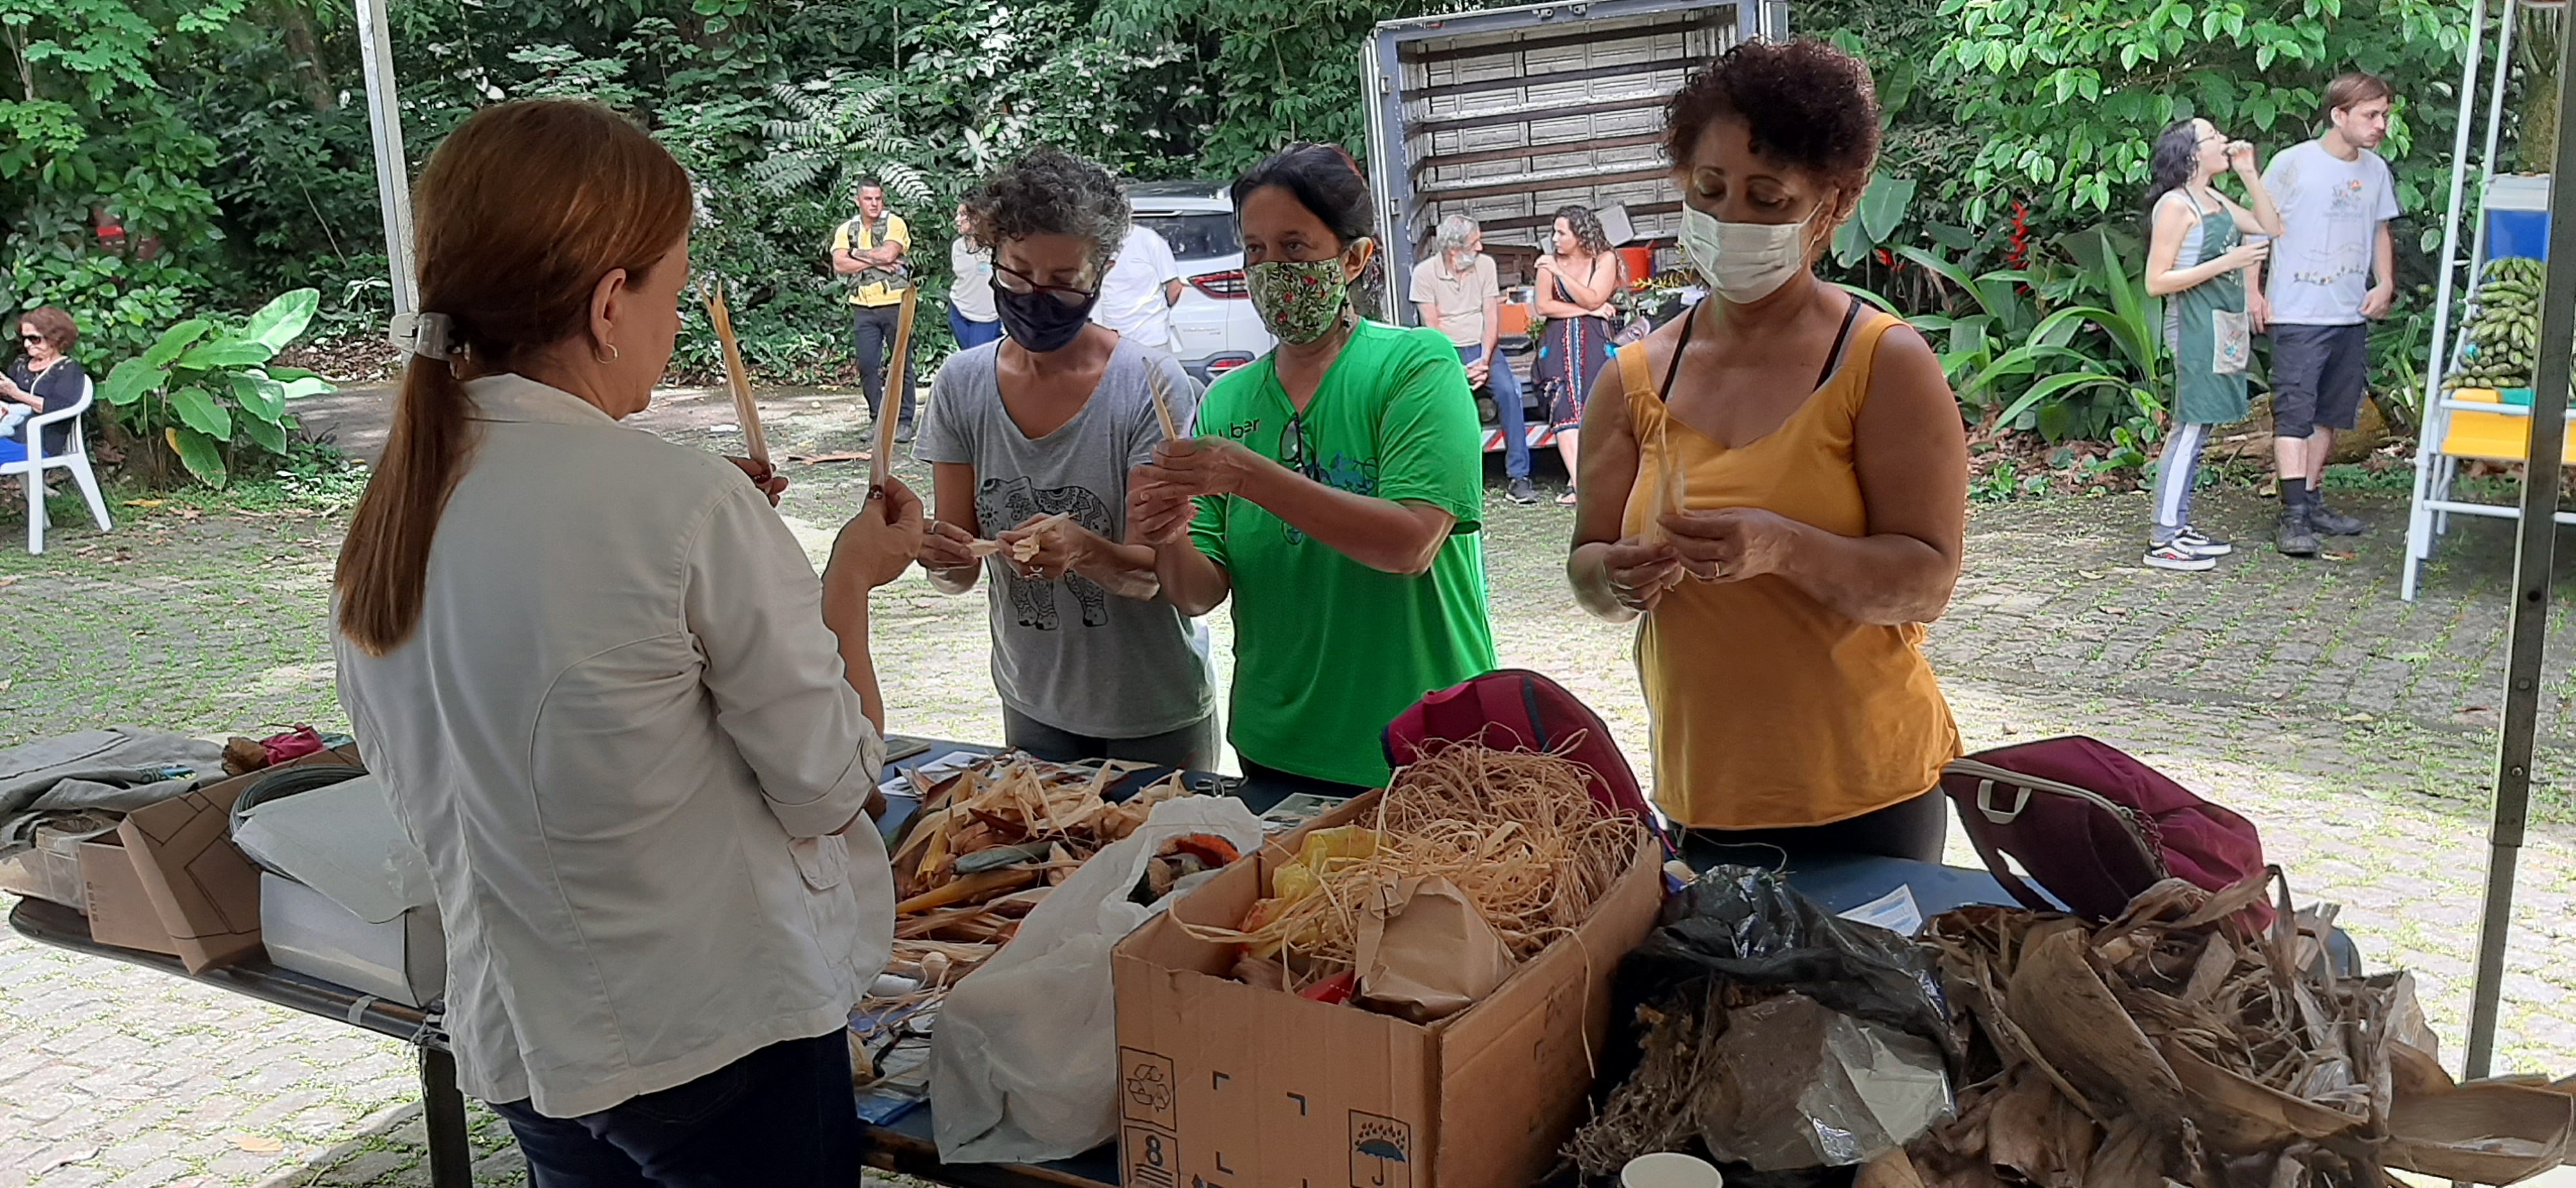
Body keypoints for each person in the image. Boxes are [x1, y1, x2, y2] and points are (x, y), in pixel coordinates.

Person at [332, 100, 924, 1187]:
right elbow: (831, 788)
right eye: (673, 290)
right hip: (710, 1037)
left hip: (523, 1034)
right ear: (611, 302)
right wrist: (845, 582)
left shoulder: (395, 509)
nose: (676, 327)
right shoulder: (679, 503)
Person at [1566, 39, 1967, 863]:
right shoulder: (1633, 380)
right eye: (1709, 189)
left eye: (1767, 198)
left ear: (1833, 203)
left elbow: (1925, 583)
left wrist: (1781, 547)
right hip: (1703, 794)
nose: (1730, 221)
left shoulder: (1881, 363)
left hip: (1868, 793)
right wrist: (1616, 578)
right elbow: (1587, 569)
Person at [1127, 143, 1498, 795]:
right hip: (1276, 750)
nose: (1272, 270)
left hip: (1424, 750)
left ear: (1353, 258)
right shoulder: (1227, 401)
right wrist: (1167, 533)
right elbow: (1197, 593)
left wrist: (1248, 476)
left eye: (1294, 247)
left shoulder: (1416, 366)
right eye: (1255, 250)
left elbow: (1410, 542)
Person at [913, 148, 1218, 768]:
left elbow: (1153, 574)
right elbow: (959, 571)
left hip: (1151, 708)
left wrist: (1082, 549)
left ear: (1100, 273)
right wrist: (934, 553)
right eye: (1018, 273)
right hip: (1033, 703)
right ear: (993, 256)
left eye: (1063, 281)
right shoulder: (962, 384)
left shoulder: (1148, 385)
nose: (1036, 296)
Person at [2253, 72, 2400, 556]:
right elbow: (2258, 229)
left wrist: (2385, 283)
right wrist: (2253, 291)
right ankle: (2292, 516)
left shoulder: (2376, 170)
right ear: (2339, 115)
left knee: (2329, 414)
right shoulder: (2293, 164)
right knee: (2294, 414)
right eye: (2371, 115)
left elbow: (2380, 231)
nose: (2381, 125)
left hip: (2348, 314)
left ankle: (2312, 499)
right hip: (2297, 312)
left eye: (2384, 115)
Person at [2141, 119, 2281, 572]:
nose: (2225, 141)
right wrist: (2229, 261)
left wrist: (2249, 174)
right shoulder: (2175, 206)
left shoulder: (2215, 199)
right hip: (2194, 327)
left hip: (2222, 324)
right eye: (2215, 137)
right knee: (2189, 429)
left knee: (2201, 431)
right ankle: (2163, 539)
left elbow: (2270, 226)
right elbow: (2156, 281)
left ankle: (2178, 526)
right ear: (2192, 154)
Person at [1412, 214, 1539, 505]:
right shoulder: (1424, 274)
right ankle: (1453, 478)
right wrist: (1457, 368)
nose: (1481, 248)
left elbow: (1492, 317)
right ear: (1453, 249)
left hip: (1484, 348)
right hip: (1447, 351)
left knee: (1510, 392)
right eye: (1474, 243)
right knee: (1444, 406)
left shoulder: (1486, 265)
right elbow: (1432, 326)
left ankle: (1519, 477)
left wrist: (1484, 361)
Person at [1535, 204, 1625, 506]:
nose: (1555, 239)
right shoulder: (1548, 262)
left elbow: (1594, 297)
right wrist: (1589, 310)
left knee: (1596, 401)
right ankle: (1580, 485)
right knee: (1562, 403)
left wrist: (1561, 274)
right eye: (1554, 232)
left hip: (1594, 339)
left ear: (1580, 234)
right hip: (1557, 340)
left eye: (1562, 233)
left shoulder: (1604, 258)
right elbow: (1544, 306)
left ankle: (1598, 480)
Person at [831, 178, 917, 441]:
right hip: (863, 306)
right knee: (867, 364)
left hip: (895, 303)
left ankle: (904, 421)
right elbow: (839, 264)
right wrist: (873, 261)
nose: (874, 204)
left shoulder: (894, 223)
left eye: (878, 199)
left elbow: (889, 255)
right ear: (858, 200)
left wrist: (856, 253)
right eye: (868, 199)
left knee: (901, 363)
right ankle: (877, 419)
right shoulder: (847, 229)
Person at [1, 307, 87, 470]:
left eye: (34, 339)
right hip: (7, 434)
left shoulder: (68, 369)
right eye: (24, 338)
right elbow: (8, 399)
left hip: (38, 444)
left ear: (55, 338)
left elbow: (61, 408)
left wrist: (17, 394)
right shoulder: (21, 363)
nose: (27, 344)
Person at [1090, 221, 1185, 350]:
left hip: (1149, 340)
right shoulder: (1097, 242)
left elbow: (1175, 288)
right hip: (1112, 339)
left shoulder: (1147, 239)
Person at [947, 201, 1003, 350]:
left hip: (986, 317)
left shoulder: (996, 247)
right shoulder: (958, 246)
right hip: (958, 310)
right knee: (968, 357)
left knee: (980, 359)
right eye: (957, 215)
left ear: (977, 218)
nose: (957, 220)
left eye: (962, 215)